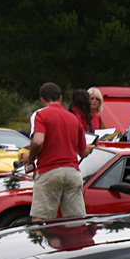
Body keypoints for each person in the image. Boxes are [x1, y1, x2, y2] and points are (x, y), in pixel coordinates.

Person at [24, 82, 92, 222]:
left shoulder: (41, 115)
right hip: (72, 173)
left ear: (42, 100)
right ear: (60, 98)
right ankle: (76, 243)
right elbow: (83, 152)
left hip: (49, 171)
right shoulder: (73, 118)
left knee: (40, 221)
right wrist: (90, 148)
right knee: (76, 221)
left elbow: (37, 141)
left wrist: (30, 157)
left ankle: (42, 242)